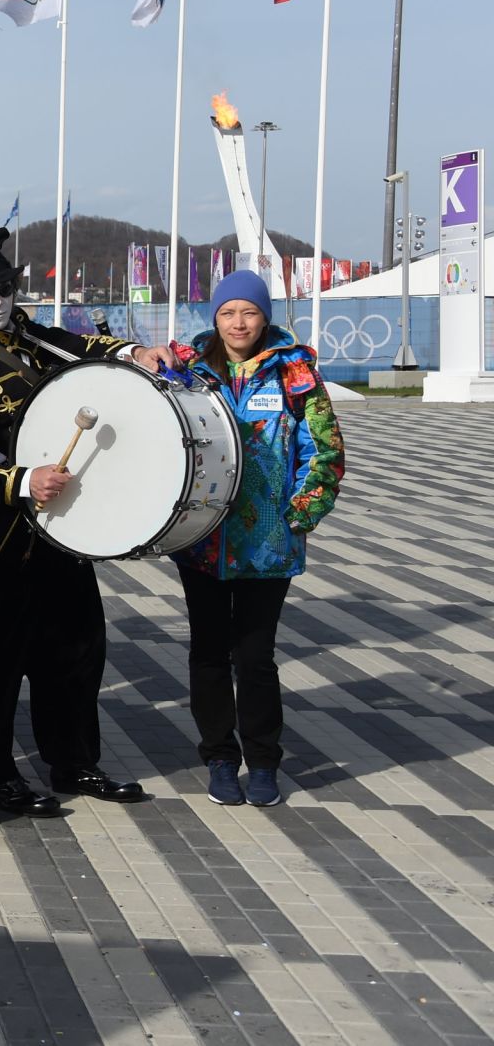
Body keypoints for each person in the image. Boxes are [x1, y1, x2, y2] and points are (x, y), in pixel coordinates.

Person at [0, 227, 171, 816]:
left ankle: (73, 761)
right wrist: (20, 482)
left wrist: (133, 354)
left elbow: (86, 348)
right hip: (7, 524)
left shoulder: (31, 336)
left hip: (65, 522)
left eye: (3, 288)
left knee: (77, 642)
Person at [172, 271, 343, 808]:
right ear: (214, 318)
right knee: (207, 652)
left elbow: (324, 451)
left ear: (264, 316)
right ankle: (220, 758)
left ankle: (264, 761)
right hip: (200, 538)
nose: (238, 323)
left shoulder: (294, 373)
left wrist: (298, 515)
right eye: (227, 313)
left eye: (248, 312)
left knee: (254, 656)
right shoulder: (191, 372)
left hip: (268, 544)